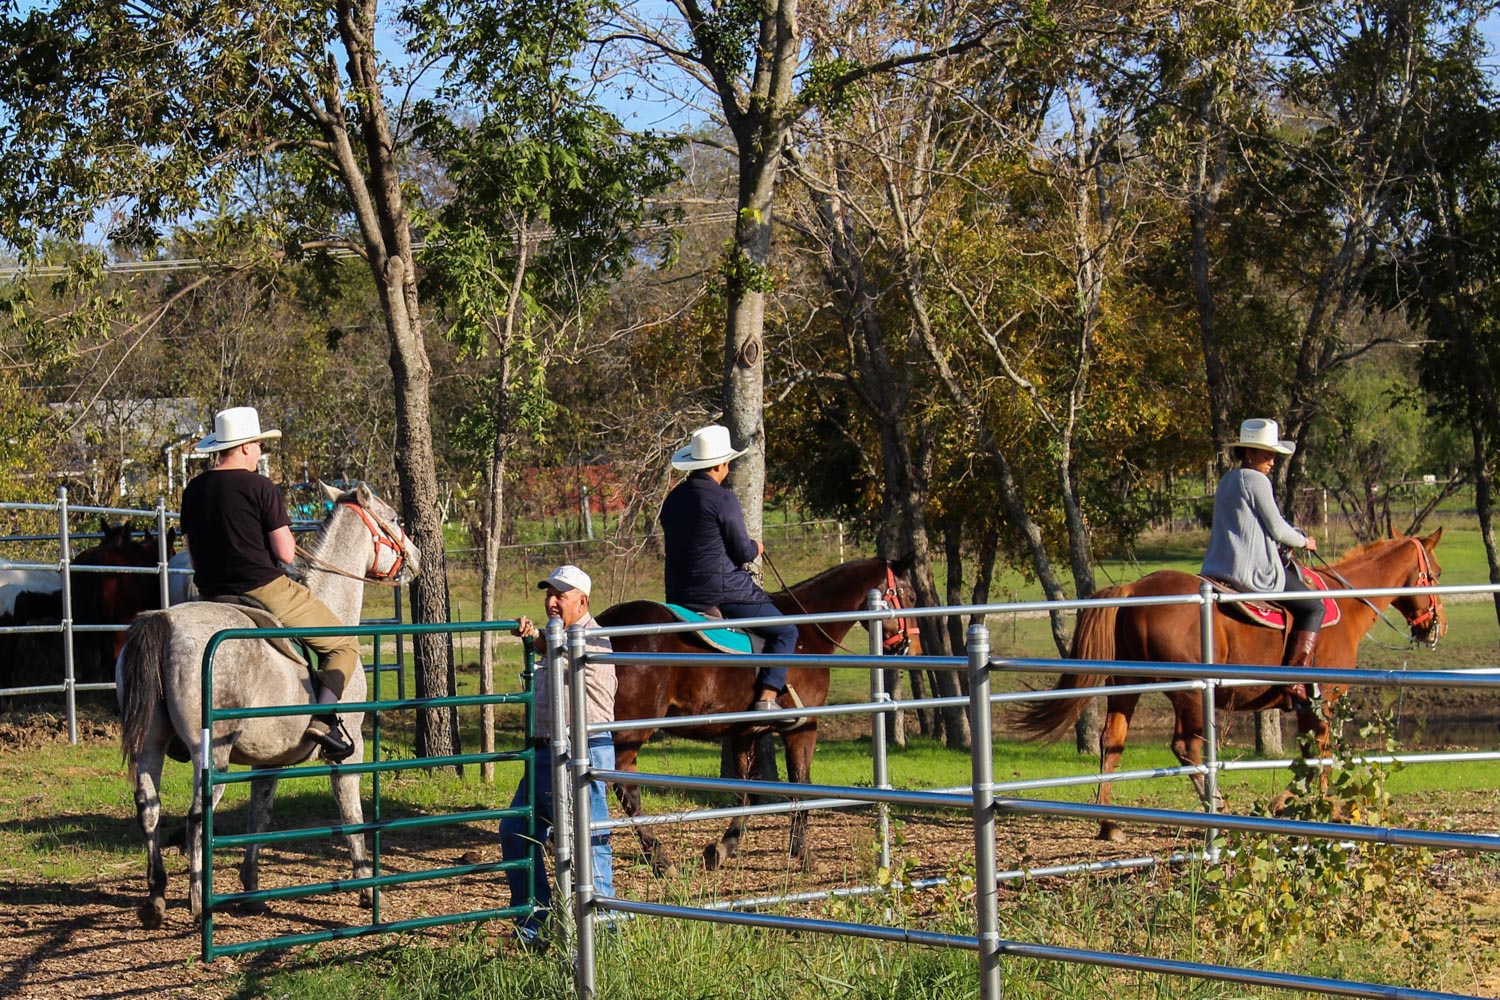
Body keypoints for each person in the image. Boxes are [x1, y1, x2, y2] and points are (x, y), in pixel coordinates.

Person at [179, 406, 358, 762]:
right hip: (263, 589)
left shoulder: (194, 489)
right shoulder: (261, 487)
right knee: (344, 645)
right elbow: (286, 554)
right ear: (245, 446)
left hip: (210, 593)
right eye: (259, 443)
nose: (261, 450)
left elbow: (193, 557)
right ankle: (323, 722)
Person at [498, 564, 616, 945]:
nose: (551, 601)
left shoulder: (593, 639)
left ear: (582, 601)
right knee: (517, 830)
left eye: (560, 596)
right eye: (548, 594)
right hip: (548, 751)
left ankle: (603, 930)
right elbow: (548, 644)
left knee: (590, 838)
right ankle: (536, 921)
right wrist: (534, 636)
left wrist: (540, 639)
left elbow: (558, 648)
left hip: (585, 750)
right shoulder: (560, 633)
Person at [660, 424, 798, 723]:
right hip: (724, 592)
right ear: (721, 465)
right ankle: (767, 698)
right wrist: (756, 547)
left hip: (680, 595)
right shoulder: (723, 499)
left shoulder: (672, 500)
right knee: (787, 630)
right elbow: (739, 551)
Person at [1200, 417, 1323, 703]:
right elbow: (1278, 529)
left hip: (1219, 568)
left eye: (1273, 457)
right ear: (1250, 453)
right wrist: (1305, 541)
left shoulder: (1228, 480)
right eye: (1268, 455)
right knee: (1313, 607)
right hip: (1252, 572)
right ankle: (1296, 679)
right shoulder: (1257, 480)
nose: (1272, 462)